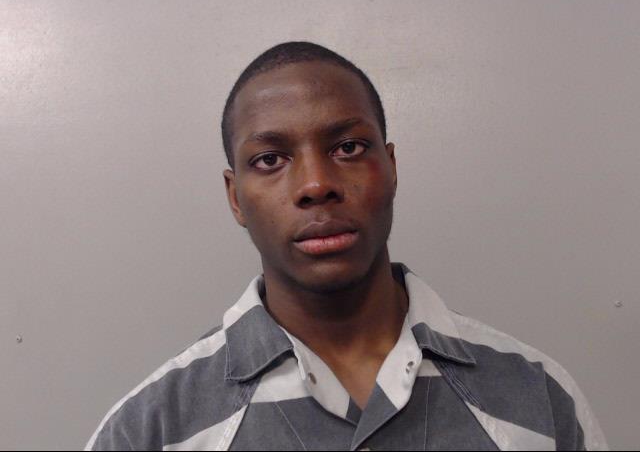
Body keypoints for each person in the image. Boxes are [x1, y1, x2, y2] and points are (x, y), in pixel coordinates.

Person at [85, 42, 608, 451]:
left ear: (391, 167)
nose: (316, 184)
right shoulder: (151, 429)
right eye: (270, 160)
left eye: (348, 147)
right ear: (236, 197)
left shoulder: (538, 398)